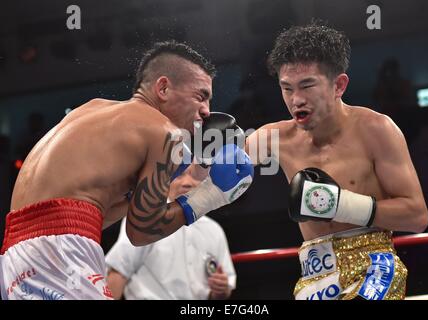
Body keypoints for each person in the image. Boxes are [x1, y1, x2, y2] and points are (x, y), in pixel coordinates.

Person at [0, 40, 253, 300]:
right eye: (201, 96)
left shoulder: (92, 108)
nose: (206, 111)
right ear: (163, 87)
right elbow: (142, 231)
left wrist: (171, 175)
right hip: (61, 251)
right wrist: (210, 196)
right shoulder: (164, 132)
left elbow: (94, 215)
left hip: (16, 254)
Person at [246, 24, 428, 300]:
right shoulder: (274, 138)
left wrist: (339, 205)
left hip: (374, 266)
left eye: (307, 85)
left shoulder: (376, 130)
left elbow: (417, 216)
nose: (296, 99)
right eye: (287, 88)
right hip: (313, 276)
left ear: (339, 85)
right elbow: (218, 177)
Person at [106, 166, 236, 300]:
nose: (187, 182)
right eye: (180, 175)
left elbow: (223, 292)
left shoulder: (214, 230)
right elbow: (118, 272)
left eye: (195, 176)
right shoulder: (148, 217)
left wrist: (220, 289)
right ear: (167, 179)